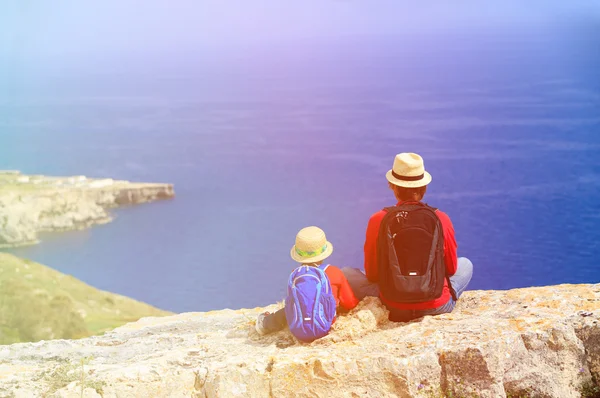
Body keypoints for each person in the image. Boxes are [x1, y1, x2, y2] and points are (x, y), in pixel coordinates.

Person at [342, 152, 473, 322]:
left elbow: (373, 274)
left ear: (392, 186)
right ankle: (441, 298)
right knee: (466, 264)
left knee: (346, 273)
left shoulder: (378, 219)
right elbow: (451, 268)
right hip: (436, 306)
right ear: (424, 187)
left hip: (393, 305)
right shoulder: (441, 218)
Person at [255, 226, 359, 337]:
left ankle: (265, 324)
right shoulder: (334, 272)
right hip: (326, 324)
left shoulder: (295, 274)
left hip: (298, 326)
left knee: (288, 309)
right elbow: (350, 303)